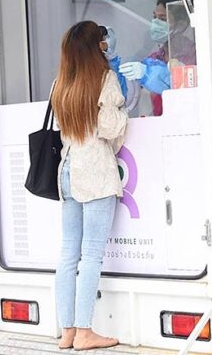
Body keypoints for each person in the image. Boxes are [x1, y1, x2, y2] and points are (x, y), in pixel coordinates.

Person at [52, 21, 128, 350]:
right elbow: (110, 129)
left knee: (68, 254)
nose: (105, 45)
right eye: (102, 41)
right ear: (95, 47)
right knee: (92, 255)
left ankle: (67, 332)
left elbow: (62, 127)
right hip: (95, 170)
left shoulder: (60, 83)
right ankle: (85, 332)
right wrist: (122, 113)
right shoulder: (104, 79)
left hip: (67, 171)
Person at [118, 0, 196, 116]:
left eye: (163, 19)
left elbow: (183, 89)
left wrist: (148, 74)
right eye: (154, 17)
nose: (155, 23)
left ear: (181, 25)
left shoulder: (194, 54)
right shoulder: (156, 57)